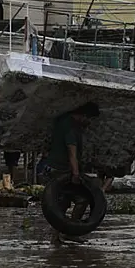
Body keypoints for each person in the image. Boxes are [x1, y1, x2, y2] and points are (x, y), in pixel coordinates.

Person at [47, 102, 100, 243]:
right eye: (89, 119)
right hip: (63, 169)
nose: (89, 123)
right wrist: (76, 173)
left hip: (55, 167)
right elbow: (72, 153)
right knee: (82, 200)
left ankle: (56, 236)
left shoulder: (62, 121)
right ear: (83, 116)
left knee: (61, 204)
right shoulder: (71, 128)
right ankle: (71, 231)